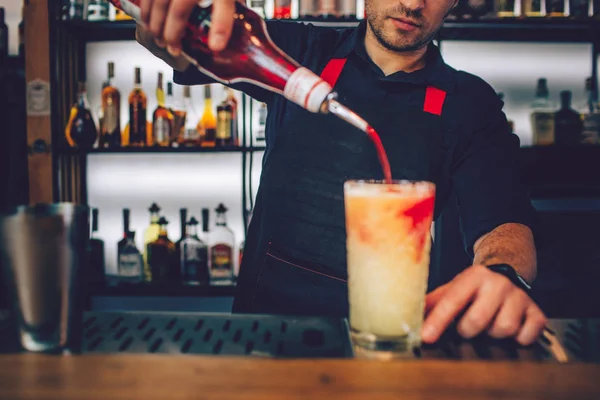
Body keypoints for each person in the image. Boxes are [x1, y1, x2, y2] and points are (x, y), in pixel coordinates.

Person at [135, 0, 547, 346]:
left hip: (388, 338)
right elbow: (177, 43)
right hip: (264, 331)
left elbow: (504, 218)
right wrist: (167, 21)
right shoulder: (298, 52)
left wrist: (501, 274)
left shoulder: (468, 101)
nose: (413, 4)